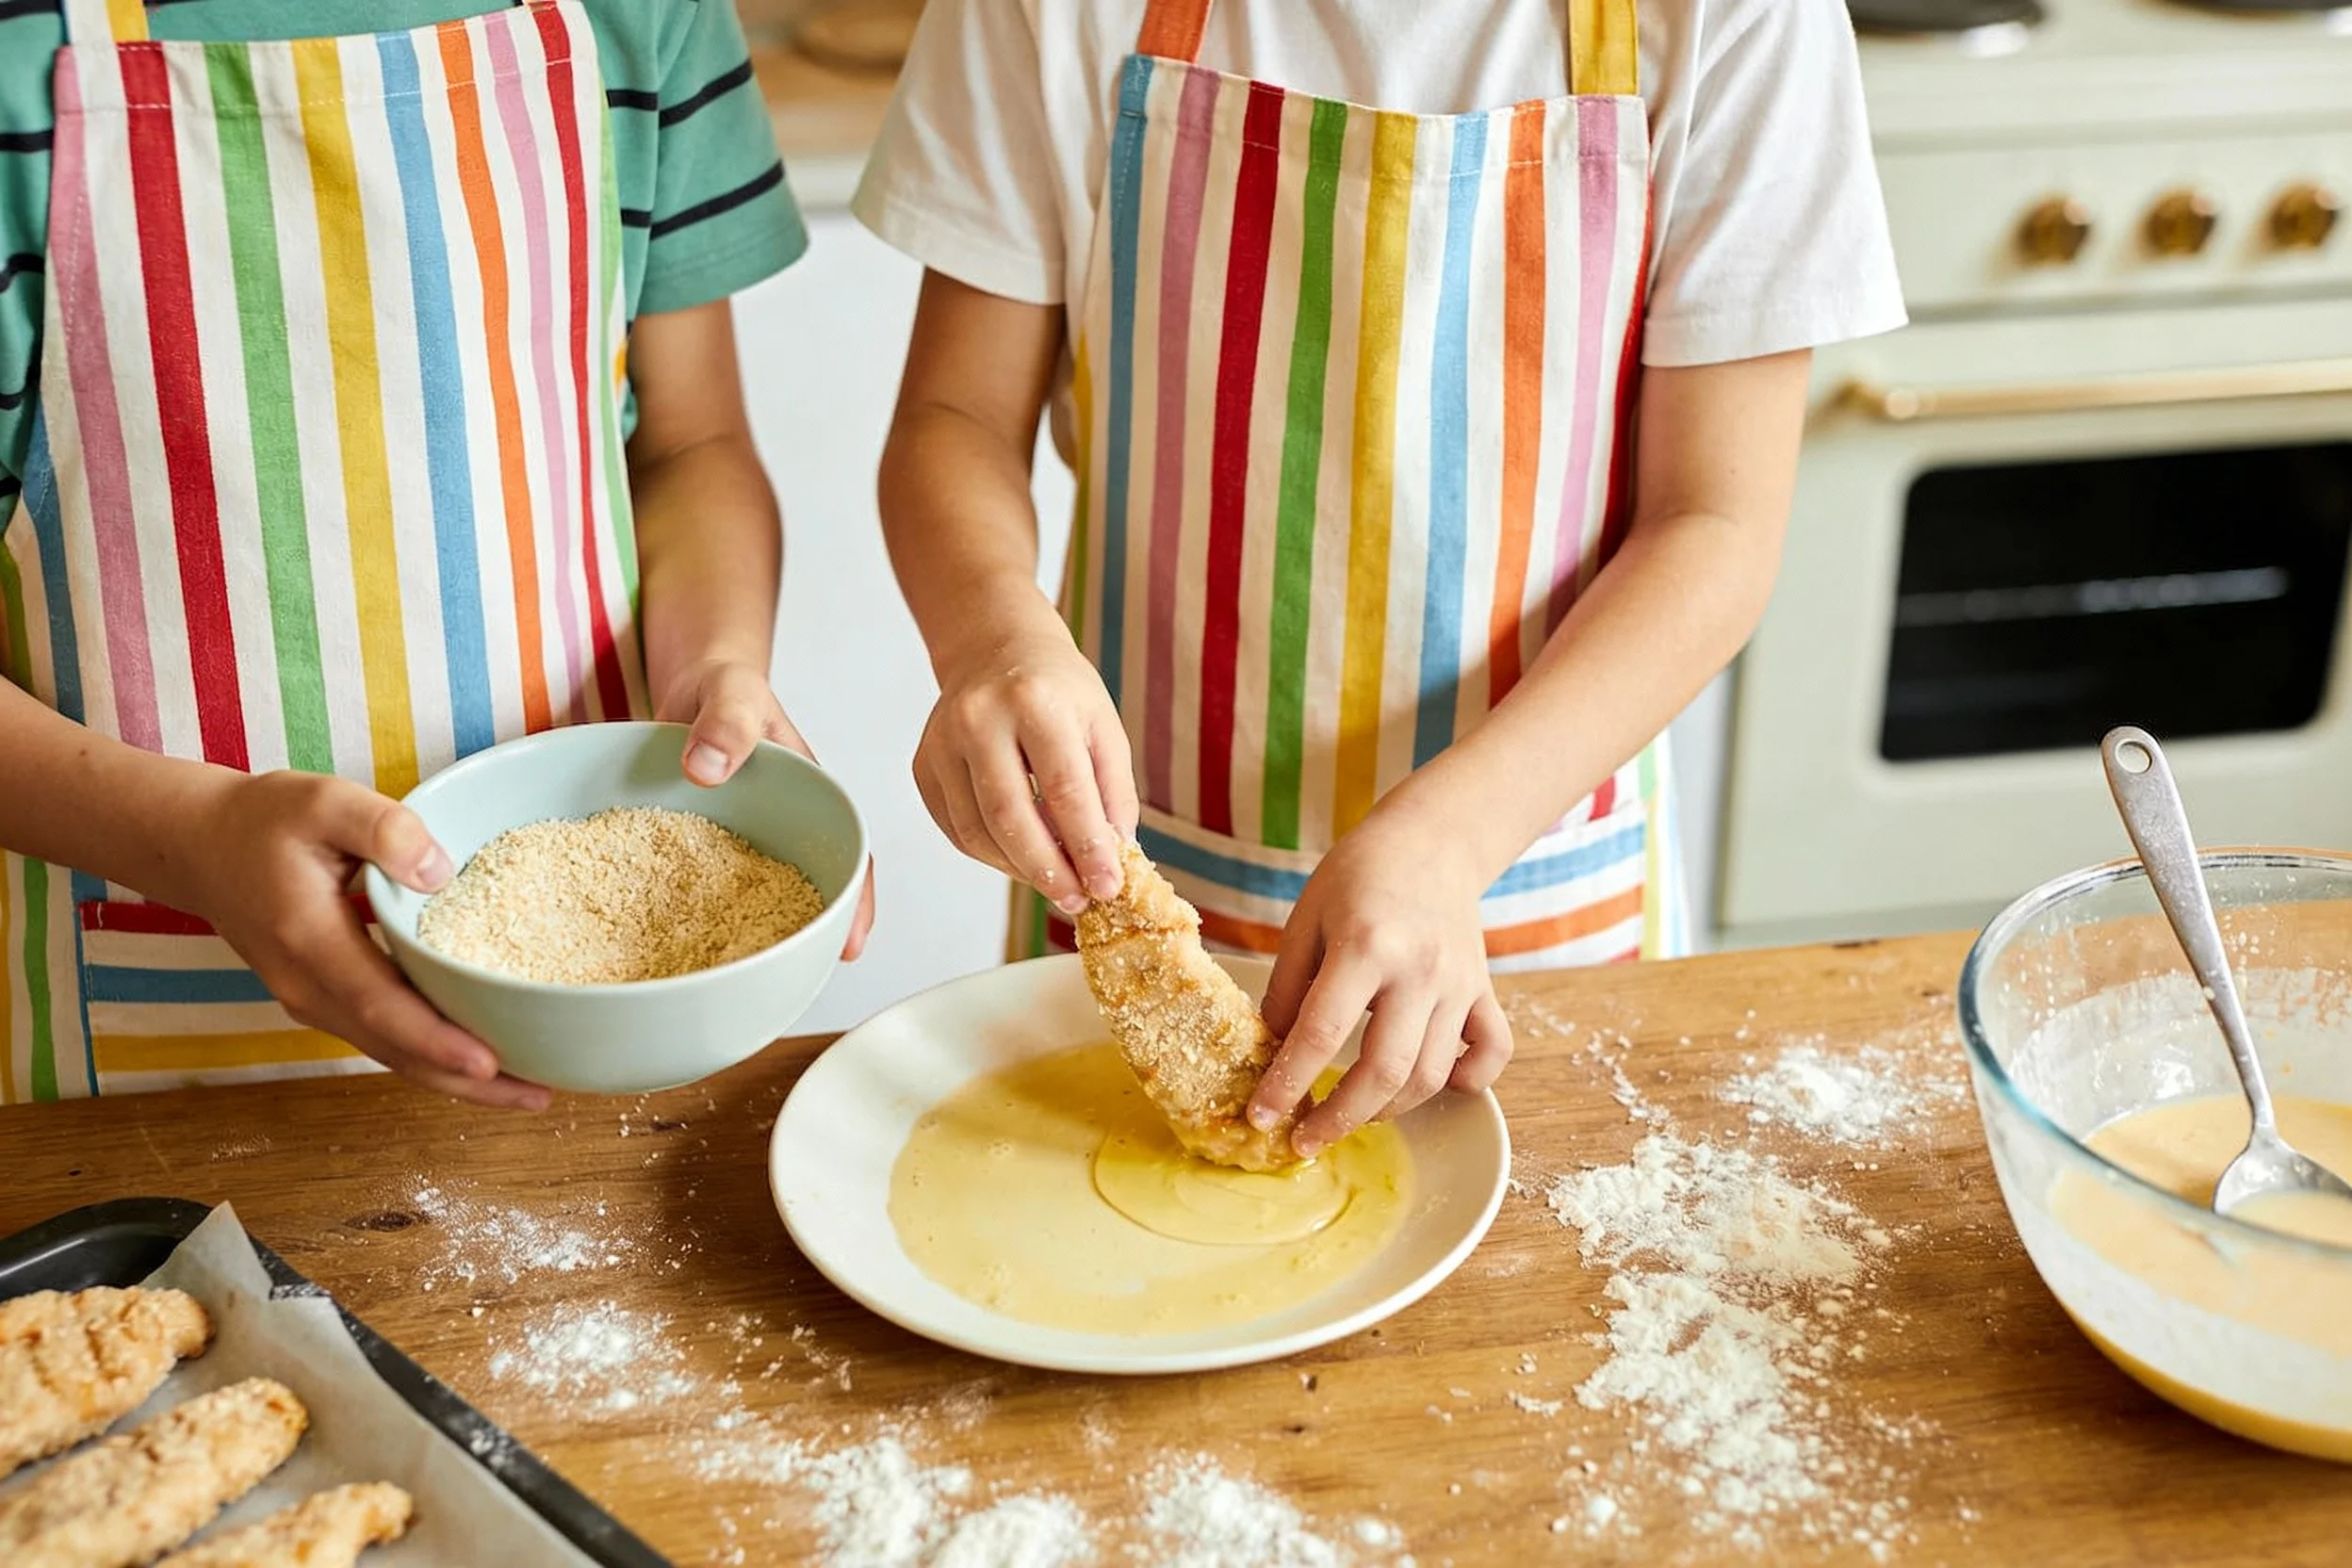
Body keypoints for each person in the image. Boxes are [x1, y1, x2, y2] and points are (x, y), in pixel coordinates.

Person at [859, 0, 1904, 1158]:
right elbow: (953, 419)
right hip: (1134, 855)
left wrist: (1447, 842)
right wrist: (992, 645)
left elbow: (1713, 523)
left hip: (1529, 890)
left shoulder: (1741, 17)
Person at [0, 0, 869, 1105]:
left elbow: (694, 445)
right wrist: (192, 836)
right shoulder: (23, 51)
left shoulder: (646, 16)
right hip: (154, 1024)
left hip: (596, 994)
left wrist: (714, 663)